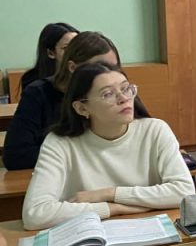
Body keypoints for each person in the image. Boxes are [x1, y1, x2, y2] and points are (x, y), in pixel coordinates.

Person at [22, 62, 195, 230]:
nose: (124, 99)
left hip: (150, 232)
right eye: (108, 94)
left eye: (125, 89)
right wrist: (113, 208)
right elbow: (35, 214)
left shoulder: (155, 130)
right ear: (82, 108)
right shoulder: (59, 143)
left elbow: (184, 191)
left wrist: (109, 193)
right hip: (89, 236)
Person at [5, 32, 122, 170]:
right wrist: (83, 156)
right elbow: (16, 156)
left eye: (114, 68)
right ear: (72, 67)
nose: (110, 76)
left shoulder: (120, 92)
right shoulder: (38, 93)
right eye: (100, 68)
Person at [21, 22, 79, 89]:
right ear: (51, 53)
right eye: (66, 48)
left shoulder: (83, 75)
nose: (75, 51)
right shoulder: (34, 83)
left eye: (77, 46)